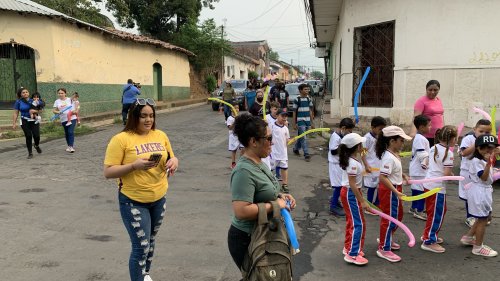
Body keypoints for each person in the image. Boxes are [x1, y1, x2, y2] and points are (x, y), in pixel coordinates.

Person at [103, 98, 179, 281]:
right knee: (140, 246)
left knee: (150, 242)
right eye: (143, 116)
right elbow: (108, 172)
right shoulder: (121, 139)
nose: (148, 120)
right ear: (134, 117)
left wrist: (174, 161)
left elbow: (172, 156)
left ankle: (145, 275)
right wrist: (133, 166)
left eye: (151, 116)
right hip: (133, 201)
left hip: (159, 198)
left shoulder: (160, 135)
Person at [227, 113, 296, 271]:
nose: (273, 142)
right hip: (248, 238)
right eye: (269, 139)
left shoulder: (260, 162)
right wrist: (274, 205)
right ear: (253, 142)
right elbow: (241, 210)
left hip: (264, 233)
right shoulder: (243, 170)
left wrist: (280, 196)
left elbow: (263, 191)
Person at [375, 125, 411, 263]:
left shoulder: (394, 154)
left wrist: (402, 175)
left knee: (398, 215)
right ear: (392, 141)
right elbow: (383, 177)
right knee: (390, 218)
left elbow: (393, 171)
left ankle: (387, 238)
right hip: (390, 191)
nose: (403, 143)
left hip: (395, 189)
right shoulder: (388, 157)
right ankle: (383, 248)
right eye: (401, 140)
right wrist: (395, 191)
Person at [461, 134, 499, 257]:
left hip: (484, 191)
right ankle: (478, 247)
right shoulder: (476, 161)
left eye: (491, 148)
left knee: (483, 217)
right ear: (478, 148)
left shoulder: (482, 159)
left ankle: (468, 237)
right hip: (480, 192)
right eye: (486, 147)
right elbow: (483, 177)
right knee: (483, 219)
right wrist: (489, 164)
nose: (489, 150)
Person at [420, 125, 457, 253]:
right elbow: (446, 175)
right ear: (452, 139)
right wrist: (453, 176)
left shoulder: (433, 147)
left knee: (435, 211)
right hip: (437, 188)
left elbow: (425, 164)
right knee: (436, 214)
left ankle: (429, 234)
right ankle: (429, 240)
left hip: (428, 184)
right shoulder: (449, 154)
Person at [339, 133, 369, 265]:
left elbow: (354, 179)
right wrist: (362, 201)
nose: (362, 146)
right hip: (351, 193)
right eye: (360, 145)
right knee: (359, 224)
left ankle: (349, 247)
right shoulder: (353, 164)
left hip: (350, 192)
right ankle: (353, 254)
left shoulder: (352, 160)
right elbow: (352, 183)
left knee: (353, 221)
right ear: (356, 147)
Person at [459, 119, 492, 228]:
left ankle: (482, 216)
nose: (483, 134)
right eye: (481, 131)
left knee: (482, 196)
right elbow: (463, 153)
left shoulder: (489, 140)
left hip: (483, 172)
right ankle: (471, 217)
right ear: (474, 130)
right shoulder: (468, 139)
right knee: (470, 195)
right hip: (468, 172)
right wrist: (476, 143)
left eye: (487, 132)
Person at [328, 117, 355, 217]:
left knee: (340, 185)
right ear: (343, 128)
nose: (349, 133)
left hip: (338, 164)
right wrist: (343, 146)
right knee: (339, 186)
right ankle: (333, 206)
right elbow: (333, 151)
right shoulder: (335, 137)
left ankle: (335, 202)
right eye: (349, 131)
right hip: (334, 165)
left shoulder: (340, 135)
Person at [408, 115, 431, 220]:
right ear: (422, 127)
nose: (430, 127)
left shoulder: (419, 138)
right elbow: (421, 153)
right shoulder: (420, 139)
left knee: (416, 188)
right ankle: (419, 210)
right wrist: (425, 163)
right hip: (419, 170)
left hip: (416, 169)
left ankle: (414, 207)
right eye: (429, 125)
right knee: (421, 190)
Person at [361, 116, 387, 212]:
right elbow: (362, 153)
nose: (381, 131)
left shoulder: (380, 138)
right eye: (380, 129)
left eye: (383, 129)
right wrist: (366, 165)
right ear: (373, 127)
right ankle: (368, 207)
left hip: (378, 167)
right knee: (371, 188)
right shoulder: (366, 138)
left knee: (379, 186)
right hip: (370, 167)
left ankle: (377, 204)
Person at [12, 87, 43, 159]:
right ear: (20, 94)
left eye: (26, 92)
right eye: (23, 92)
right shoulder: (18, 102)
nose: (25, 93)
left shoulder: (34, 100)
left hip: (34, 120)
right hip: (24, 120)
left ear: (28, 93)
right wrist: (14, 123)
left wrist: (35, 112)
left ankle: (36, 145)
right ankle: (30, 153)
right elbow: (16, 113)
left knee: (37, 136)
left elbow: (41, 110)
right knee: (28, 135)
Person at [411, 80, 444, 146]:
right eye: (430, 90)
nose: (432, 92)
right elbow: (416, 118)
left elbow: (441, 116)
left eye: (435, 90)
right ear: (426, 89)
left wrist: (444, 129)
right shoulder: (421, 101)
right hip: (426, 136)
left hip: (439, 135)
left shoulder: (439, 100)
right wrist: (413, 133)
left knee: (437, 154)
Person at [292, 83, 315, 162]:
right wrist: (294, 123)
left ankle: (295, 149)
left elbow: (310, 111)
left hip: (307, 120)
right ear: (300, 90)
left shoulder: (309, 99)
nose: (307, 91)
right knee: (304, 137)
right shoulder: (297, 99)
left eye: (308, 89)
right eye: (305, 89)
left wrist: (312, 122)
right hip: (300, 120)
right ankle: (306, 154)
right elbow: (294, 112)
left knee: (301, 136)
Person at [271, 108, 290, 193]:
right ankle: (269, 184)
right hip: (273, 153)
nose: (284, 118)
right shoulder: (272, 126)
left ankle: (284, 184)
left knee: (284, 168)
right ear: (277, 116)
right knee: (270, 169)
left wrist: (289, 141)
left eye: (286, 116)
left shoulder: (286, 128)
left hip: (283, 153)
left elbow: (287, 139)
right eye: (282, 116)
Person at [53, 88, 78, 153]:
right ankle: (69, 146)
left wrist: (76, 110)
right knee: (67, 133)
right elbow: (54, 110)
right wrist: (58, 112)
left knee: (70, 131)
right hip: (63, 119)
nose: (60, 94)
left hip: (72, 118)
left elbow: (76, 103)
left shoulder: (69, 99)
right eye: (59, 93)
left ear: (65, 93)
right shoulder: (57, 101)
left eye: (62, 93)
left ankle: (71, 147)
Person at [226, 103, 241, 169]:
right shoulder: (229, 118)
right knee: (233, 150)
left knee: (243, 149)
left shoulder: (239, 117)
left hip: (239, 136)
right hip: (233, 136)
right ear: (232, 109)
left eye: (237, 108)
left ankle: (241, 163)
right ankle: (233, 163)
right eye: (235, 108)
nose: (236, 109)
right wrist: (235, 121)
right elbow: (230, 128)